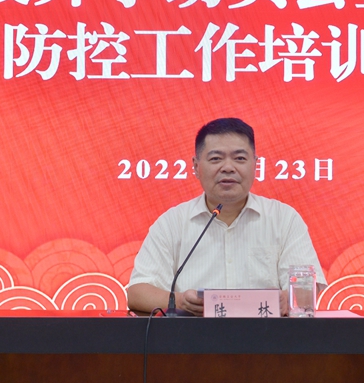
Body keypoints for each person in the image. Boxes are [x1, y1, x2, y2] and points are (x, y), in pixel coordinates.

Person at [127, 118, 325, 316]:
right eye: (216, 159)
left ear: (255, 165)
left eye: (239, 158)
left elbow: (309, 287)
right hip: (192, 333)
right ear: (196, 166)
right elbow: (137, 293)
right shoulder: (172, 223)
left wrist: (287, 300)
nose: (228, 167)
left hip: (266, 332)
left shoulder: (284, 219)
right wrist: (180, 301)